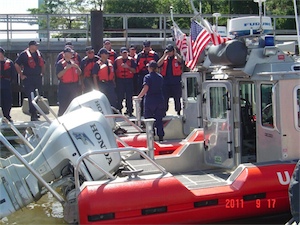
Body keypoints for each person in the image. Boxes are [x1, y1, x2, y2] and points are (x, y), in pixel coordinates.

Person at [134, 60, 165, 142]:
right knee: (159, 119)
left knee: (149, 120)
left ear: (150, 68)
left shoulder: (147, 77)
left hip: (150, 100)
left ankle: (152, 137)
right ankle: (161, 137)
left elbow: (146, 88)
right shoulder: (160, 77)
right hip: (159, 99)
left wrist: (139, 96)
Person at [15, 40, 46, 121]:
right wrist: (21, 75)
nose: (37, 47)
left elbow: (43, 64)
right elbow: (16, 64)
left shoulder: (39, 54)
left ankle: (36, 111)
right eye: (35, 45)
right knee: (30, 95)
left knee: (37, 95)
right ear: (31, 46)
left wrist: (42, 73)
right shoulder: (24, 54)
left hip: (37, 77)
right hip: (28, 78)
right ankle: (33, 113)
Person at [157, 44, 183, 115]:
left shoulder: (176, 58)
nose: (169, 53)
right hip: (166, 82)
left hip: (176, 81)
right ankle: (164, 111)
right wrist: (164, 55)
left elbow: (181, 61)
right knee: (165, 98)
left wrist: (176, 53)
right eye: (168, 52)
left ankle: (178, 111)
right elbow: (158, 64)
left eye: (170, 51)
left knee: (177, 97)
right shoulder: (164, 59)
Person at [56, 47, 82, 116]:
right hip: (64, 86)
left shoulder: (74, 62)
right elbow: (58, 75)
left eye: (71, 53)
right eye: (70, 53)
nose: (71, 54)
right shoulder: (60, 63)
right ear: (65, 54)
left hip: (74, 86)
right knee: (63, 105)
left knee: (73, 104)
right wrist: (66, 69)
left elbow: (79, 73)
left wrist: (77, 68)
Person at [136, 40, 159, 113]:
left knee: (152, 93)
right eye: (145, 47)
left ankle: (154, 110)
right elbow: (137, 66)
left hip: (152, 76)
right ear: (143, 47)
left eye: (148, 47)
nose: (146, 48)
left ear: (150, 47)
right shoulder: (139, 55)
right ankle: (142, 110)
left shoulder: (154, 55)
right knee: (142, 92)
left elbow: (158, 66)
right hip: (142, 75)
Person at [114, 47, 136, 116]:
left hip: (129, 80)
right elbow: (113, 71)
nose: (124, 54)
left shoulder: (131, 61)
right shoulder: (117, 61)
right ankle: (119, 110)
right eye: (123, 53)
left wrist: (128, 67)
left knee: (129, 96)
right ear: (120, 53)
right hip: (120, 80)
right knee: (120, 96)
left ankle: (129, 110)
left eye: (126, 53)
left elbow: (135, 71)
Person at [0, 47, 17, 122]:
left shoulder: (9, 62)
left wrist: (9, 81)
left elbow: (13, 74)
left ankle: (7, 115)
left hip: (6, 83)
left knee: (7, 100)